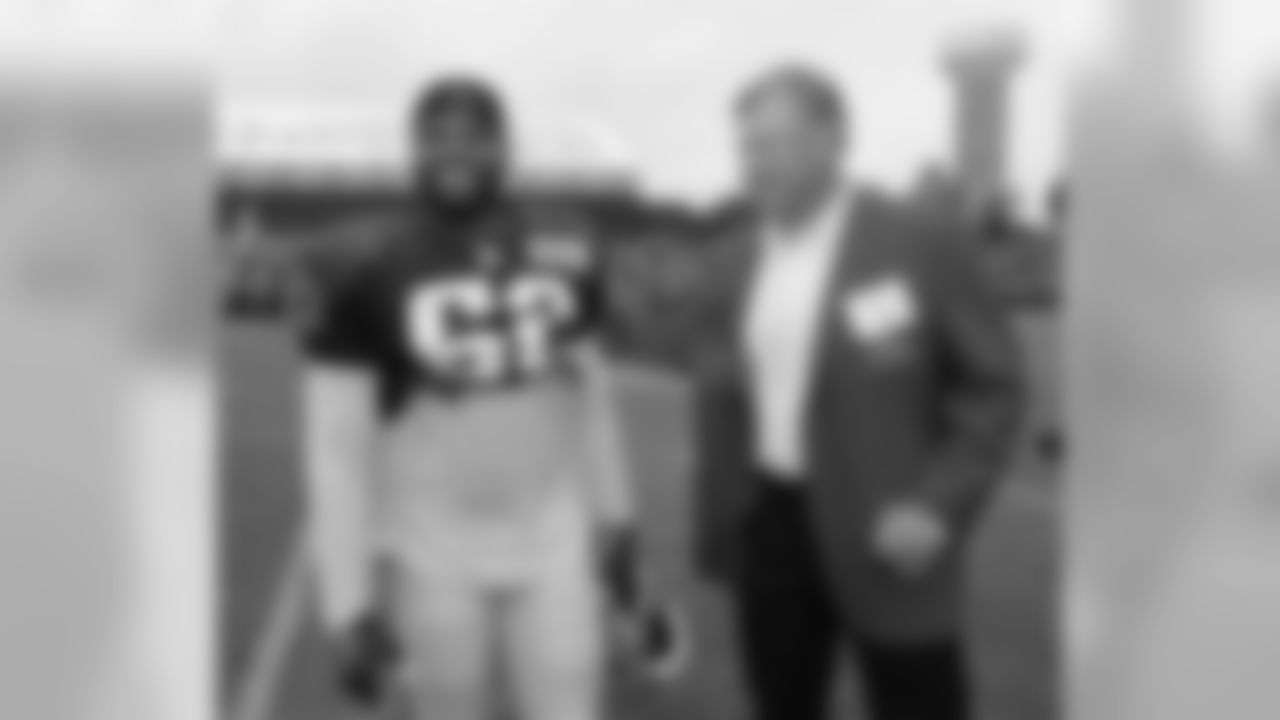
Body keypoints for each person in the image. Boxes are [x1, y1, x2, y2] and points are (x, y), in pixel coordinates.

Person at [299, 75, 669, 720]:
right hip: (432, 543)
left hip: (552, 532)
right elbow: (336, 444)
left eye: (475, 136)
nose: (457, 151)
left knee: (570, 705)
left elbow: (593, 403)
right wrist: (347, 602)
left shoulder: (569, 243)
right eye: (438, 136)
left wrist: (618, 522)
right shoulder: (361, 259)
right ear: (414, 147)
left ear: (504, 145)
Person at [687, 64, 1024, 720]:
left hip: (888, 522)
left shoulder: (921, 242)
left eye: (772, 144)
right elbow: (726, 392)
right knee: (783, 702)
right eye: (745, 146)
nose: (753, 165)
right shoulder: (731, 261)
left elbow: (993, 386)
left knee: (918, 703)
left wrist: (937, 506)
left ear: (834, 138)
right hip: (772, 525)